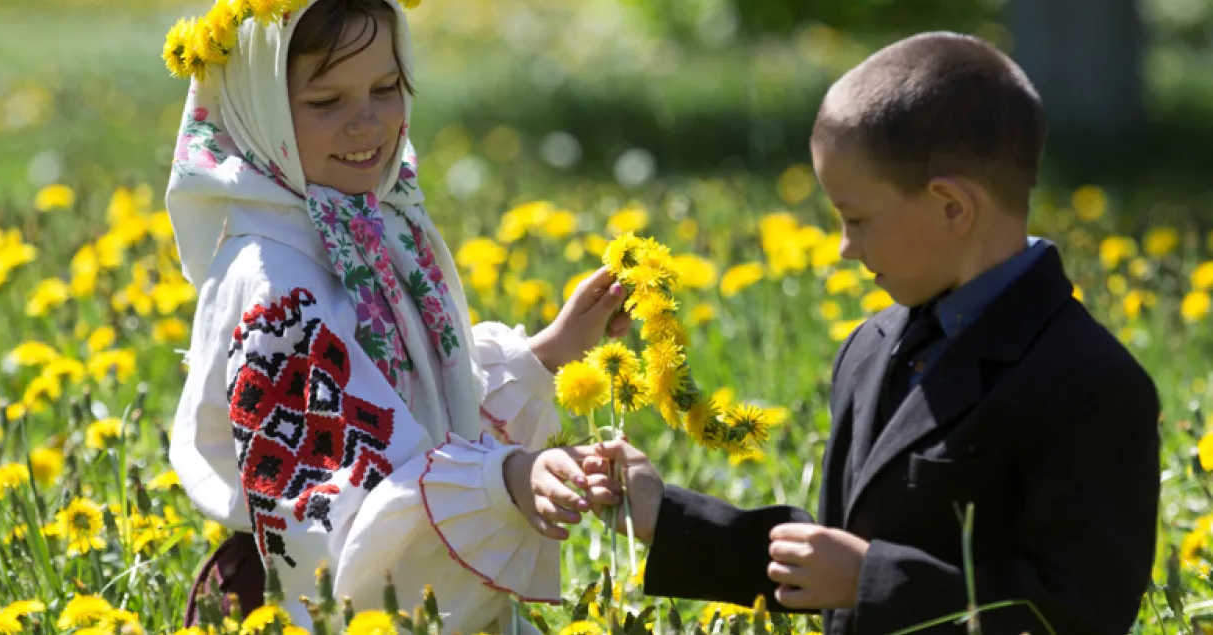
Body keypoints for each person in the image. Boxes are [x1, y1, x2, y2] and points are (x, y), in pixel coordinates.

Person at [584, 31, 1161, 635]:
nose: (843, 248)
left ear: (952, 207)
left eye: (856, 219)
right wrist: (666, 517)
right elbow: (829, 561)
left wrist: (873, 581)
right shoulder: (872, 347)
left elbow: (1080, 615)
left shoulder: (1089, 383)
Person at [163, 1, 622, 632]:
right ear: (256, 107)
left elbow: (419, 404)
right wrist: (505, 479)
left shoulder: (368, 221)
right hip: (311, 608)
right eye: (326, 102)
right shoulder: (273, 279)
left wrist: (546, 354)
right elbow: (336, 498)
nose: (367, 123)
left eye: (386, 88)